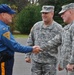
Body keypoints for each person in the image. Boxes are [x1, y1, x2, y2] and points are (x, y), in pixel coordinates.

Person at [0, 4, 41, 75]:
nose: (12, 16)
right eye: (10, 14)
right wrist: (31, 49)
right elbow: (14, 46)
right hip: (3, 61)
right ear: (3, 14)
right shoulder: (3, 29)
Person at [25, 5, 62, 75]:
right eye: (43, 13)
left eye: (46, 13)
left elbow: (63, 45)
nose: (44, 15)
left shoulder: (58, 28)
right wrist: (27, 55)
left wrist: (62, 61)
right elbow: (30, 40)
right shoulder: (36, 26)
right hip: (36, 61)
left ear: (52, 14)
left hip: (50, 62)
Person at [40, 3, 74, 75]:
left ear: (70, 12)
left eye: (63, 13)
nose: (61, 16)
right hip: (69, 66)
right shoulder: (67, 28)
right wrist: (39, 48)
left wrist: (72, 62)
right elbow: (54, 42)